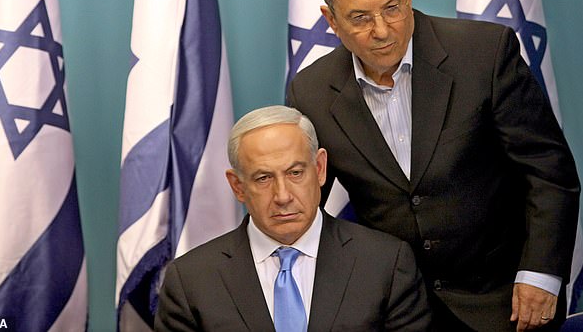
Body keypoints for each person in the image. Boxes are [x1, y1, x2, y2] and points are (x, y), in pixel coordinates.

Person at [286, 0, 580, 332]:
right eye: (360, 18)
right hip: (396, 309)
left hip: (505, 299)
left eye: (392, 8)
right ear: (331, 21)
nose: (382, 30)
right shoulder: (312, 92)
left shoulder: (483, 54)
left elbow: (548, 171)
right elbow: (302, 203)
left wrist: (540, 274)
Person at [154, 105, 432, 332]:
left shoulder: (385, 264)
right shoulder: (190, 281)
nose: (283, 196)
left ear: (320, 168)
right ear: (238, 186)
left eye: (295, 173)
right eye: (263, 178)